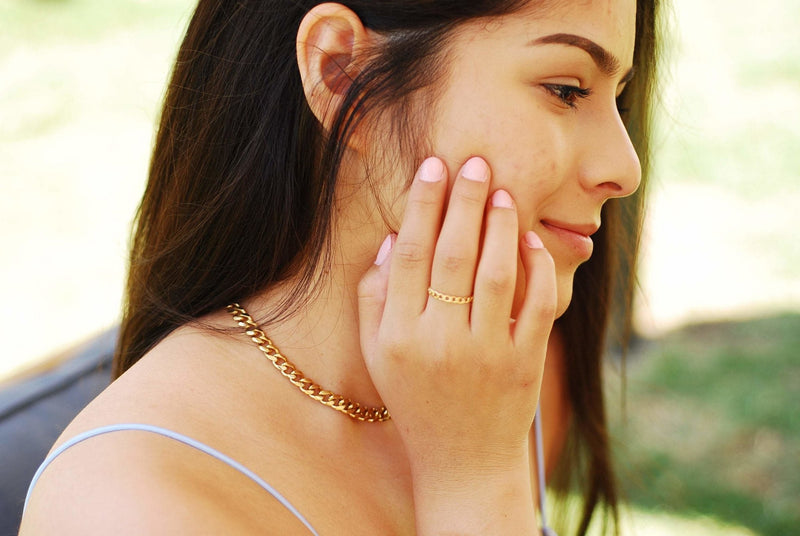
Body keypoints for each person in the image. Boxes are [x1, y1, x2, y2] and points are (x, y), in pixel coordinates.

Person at [20, 0, 661, 534]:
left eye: (618, 97)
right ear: (342, 73)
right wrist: (473, 478)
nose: (624, 169)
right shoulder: (124, 501)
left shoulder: (490, 358)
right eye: (566, 89)